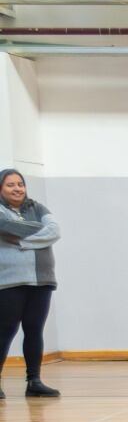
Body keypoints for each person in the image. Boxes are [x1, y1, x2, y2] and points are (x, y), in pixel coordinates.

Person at [0, 169, 62, 399]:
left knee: (34, 330)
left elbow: (54, 230)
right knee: (5, 331)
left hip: (41, 279)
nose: (17, 188)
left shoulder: (37, 208)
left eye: (20, 184)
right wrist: (38, 232)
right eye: (10, 185)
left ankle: (34, 381)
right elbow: (8, 227)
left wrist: (22, 241)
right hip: (10, 281)